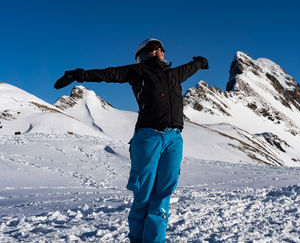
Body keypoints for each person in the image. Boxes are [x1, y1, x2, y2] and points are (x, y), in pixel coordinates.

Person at [54, 38, 208, 242]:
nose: (160, 50)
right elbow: (109, 74)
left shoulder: (173, 74)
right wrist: (79, 74)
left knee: (162, 196)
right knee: (143, 196)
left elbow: (188, 69)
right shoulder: (139, 71)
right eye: (154, 48)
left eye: (161, 47)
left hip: (174, 139)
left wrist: (199, 63)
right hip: (148, 137)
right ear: (144, 54)